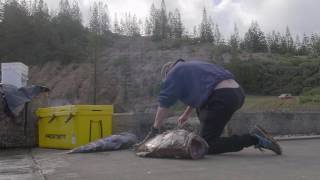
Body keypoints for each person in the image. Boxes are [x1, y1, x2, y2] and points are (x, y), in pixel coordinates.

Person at [142, 59, 282, 155]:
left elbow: (164, 102)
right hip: (236, 93)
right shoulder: (191, 66)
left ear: (167, 74)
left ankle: (255, 138)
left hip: (221, 97)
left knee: (206, 145)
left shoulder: (174, 73)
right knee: (202, 110)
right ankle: (210, 134)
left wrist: (155, 129)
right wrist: (186, 114)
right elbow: (199, 93)